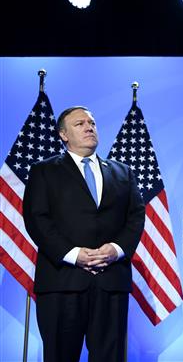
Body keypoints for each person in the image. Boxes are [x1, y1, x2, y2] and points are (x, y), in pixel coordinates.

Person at [23, 106, 145, 362]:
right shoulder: (44, 171)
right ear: (63, 134)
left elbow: (135, 217)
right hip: (62, 282)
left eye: (91, 122)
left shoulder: (123, 172)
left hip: (110, 281)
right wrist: (74, 254)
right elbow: (37, 219)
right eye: (79, 124)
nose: (89, 127)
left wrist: (117, 249)